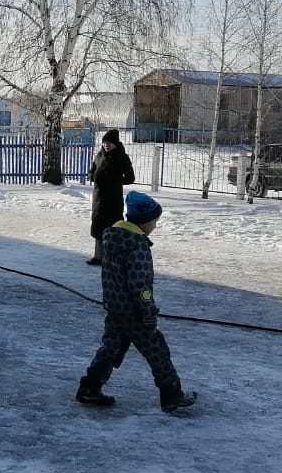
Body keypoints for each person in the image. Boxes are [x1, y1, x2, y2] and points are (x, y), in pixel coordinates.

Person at [75, 190, 196, 413]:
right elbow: (140, 284)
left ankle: (90, 387)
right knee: (157, 350)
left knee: (111, 348)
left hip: (115, 306)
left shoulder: (114, 238)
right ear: (142, 221)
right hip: (134, 312)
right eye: (154, 221)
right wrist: (148, 310)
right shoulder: (136, 244)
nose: (155, 226)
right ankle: (171, 394)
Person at [85, 129, 135, 265]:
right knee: (98, 226)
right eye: (104, 143)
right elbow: (93, 169)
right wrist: (91, 175)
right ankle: (98, 257)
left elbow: (130, 177)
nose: (106, 145)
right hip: (98, 198)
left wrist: (115, 180)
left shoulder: (122, 157)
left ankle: (112, 257)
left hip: (113, 199)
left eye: (109, 143)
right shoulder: (99, 155)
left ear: (115, 144)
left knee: (112, 227)